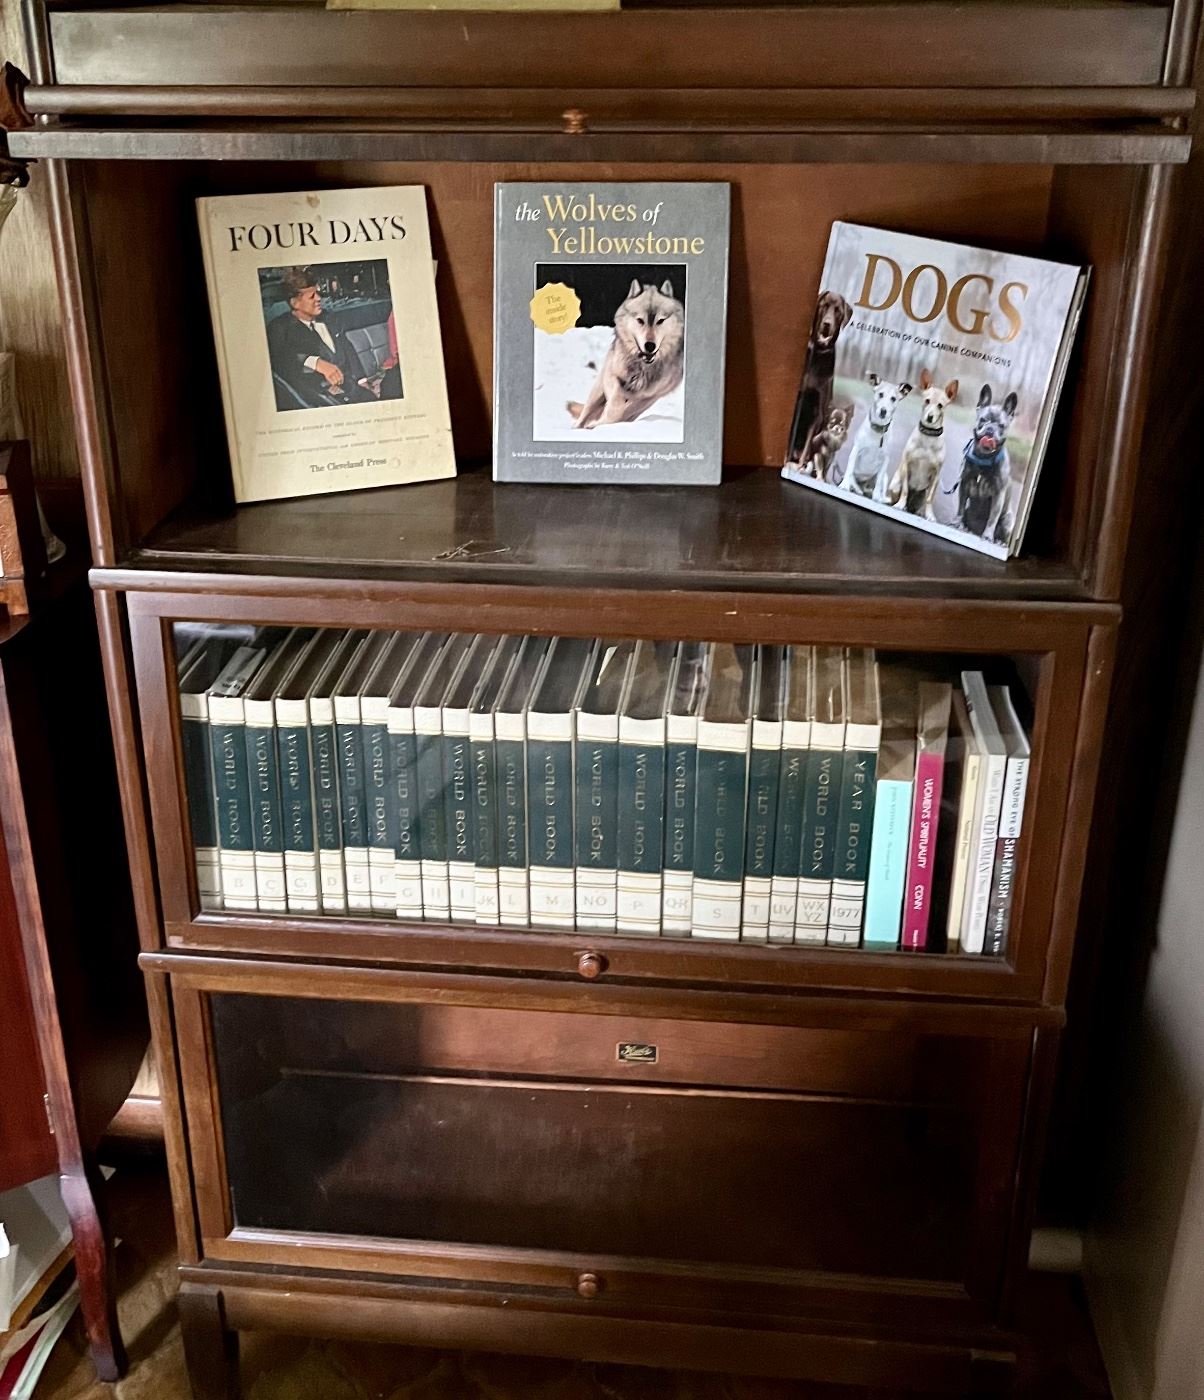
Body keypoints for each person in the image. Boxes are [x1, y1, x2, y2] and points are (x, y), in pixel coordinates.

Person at [267, 268, 374, 409]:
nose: (318, 298)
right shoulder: (281, 328)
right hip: (321, 400)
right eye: (311, 296)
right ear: (295, 303)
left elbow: (347, 348)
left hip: (353, 389)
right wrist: (316, 363)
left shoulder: (329, 317)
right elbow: (282, 359)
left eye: (318, 293)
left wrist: (362, 380)